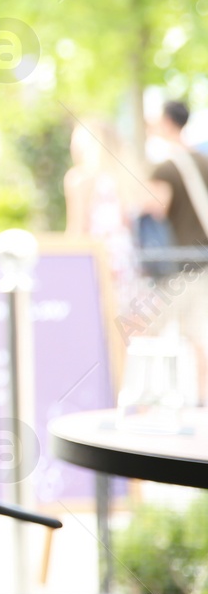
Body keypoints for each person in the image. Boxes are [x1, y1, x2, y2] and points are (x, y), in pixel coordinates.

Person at [142, 100, 208, 391]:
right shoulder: (204, 161)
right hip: (203, 263)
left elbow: (155, 207)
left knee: (144, 329)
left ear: (167, 122)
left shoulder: (166, 168)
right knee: (198, 338)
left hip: (178, 267)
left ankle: (146, 399)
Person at [64, 117, 143, 312]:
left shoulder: (80, 179)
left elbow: (77, 228)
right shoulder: (127, 178)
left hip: (95, 259)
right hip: (127, 262)